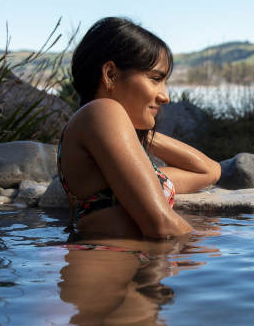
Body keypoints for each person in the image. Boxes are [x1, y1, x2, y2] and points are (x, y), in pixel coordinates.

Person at [58, 17, 220, 238]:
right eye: (155, 79)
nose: (165, 96)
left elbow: (209, 171)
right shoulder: (102, 111)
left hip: (128, 266)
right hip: (109, 267)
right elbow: (162, 224)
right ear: (110, 75)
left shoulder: (118, 163)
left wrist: (135, 136)